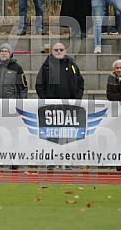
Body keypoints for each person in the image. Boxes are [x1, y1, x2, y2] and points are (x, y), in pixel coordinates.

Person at [35, 42, 84, 170]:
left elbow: (80, 82)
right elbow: (39, 85)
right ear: (51, 51)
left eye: (61, 49)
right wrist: (46, 100)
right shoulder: (45, 66)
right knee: (52, 135)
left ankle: (67, 161)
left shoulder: (72, 65)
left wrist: (77, 99)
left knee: (69, 134)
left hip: (69, 105)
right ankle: (52, 161)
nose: (58, 51)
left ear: (65, 51)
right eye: (56, 49)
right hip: (52, 107)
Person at [0, 43, 28, 169]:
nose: (3, 53)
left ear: (10, 53)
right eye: (1, 51)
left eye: (6, 51)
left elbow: (23, 89)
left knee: (12, 135)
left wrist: (20, 105)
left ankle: (14, 161)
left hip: (11, 108)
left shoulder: (17, 68)